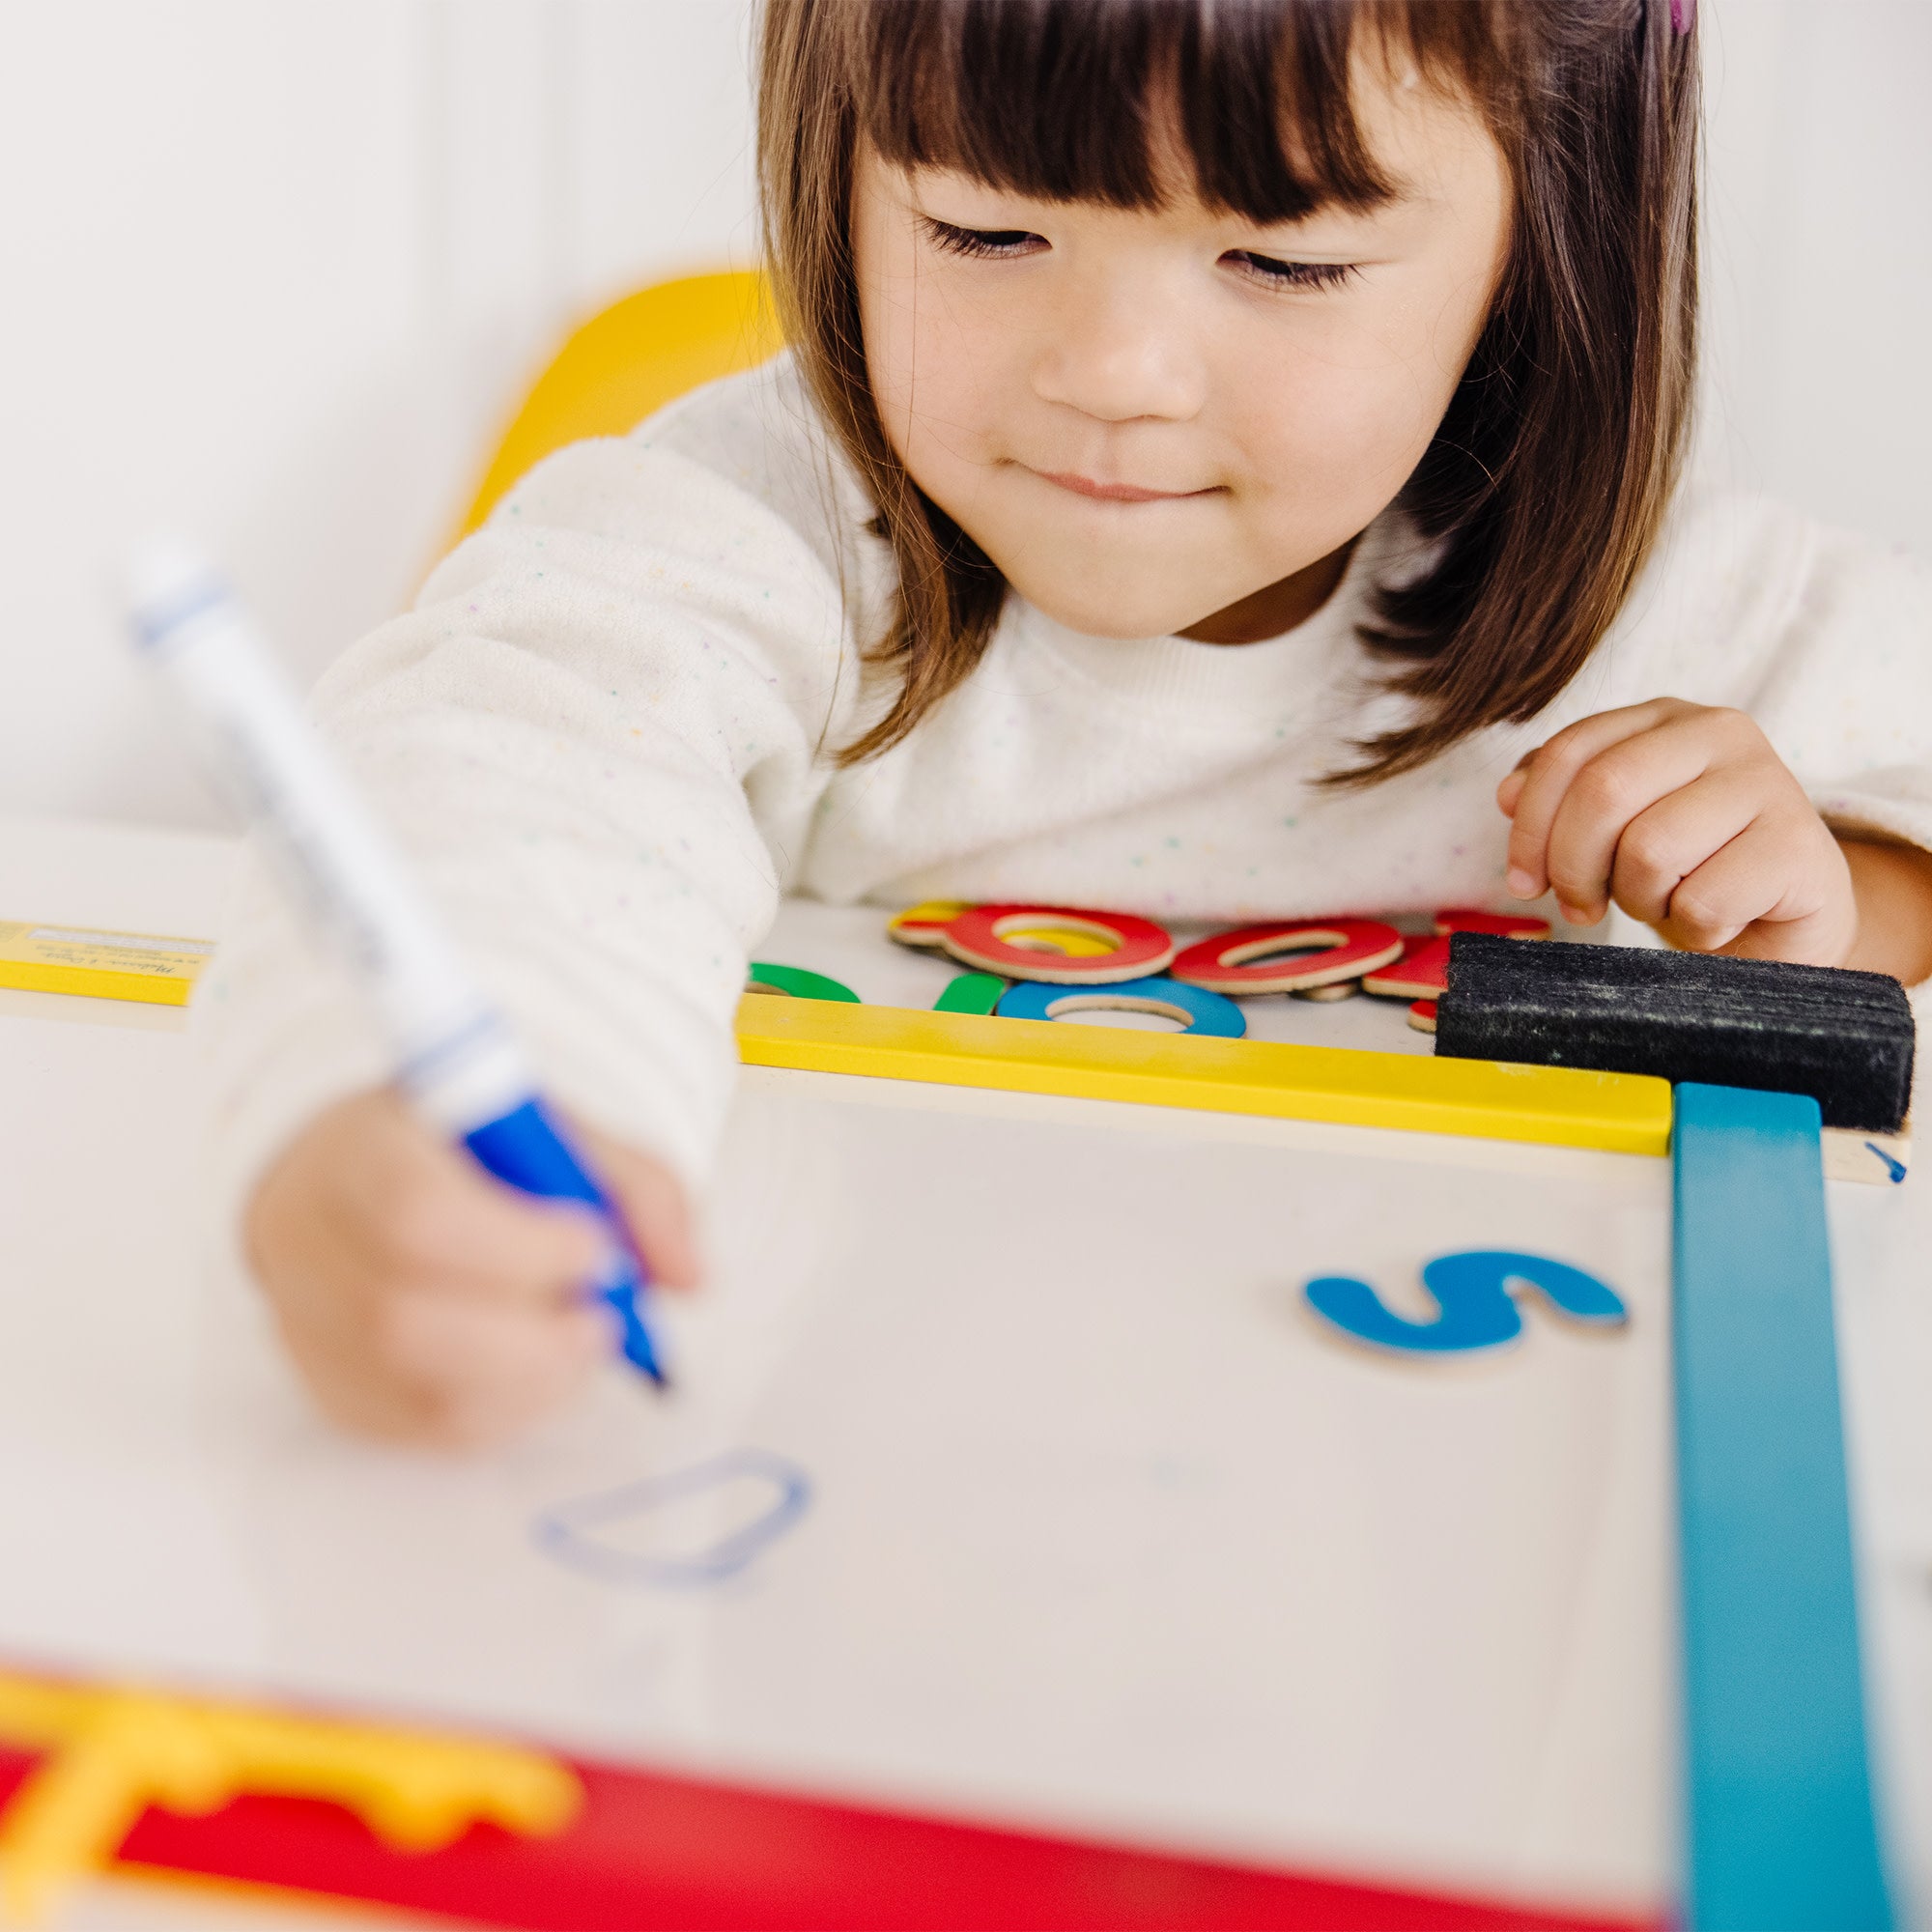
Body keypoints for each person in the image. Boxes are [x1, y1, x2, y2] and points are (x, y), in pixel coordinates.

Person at [216, 0, 1932, 1444]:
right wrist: (427, 1119)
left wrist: (1839, 899)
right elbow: (509, 775)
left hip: (1418, 1494)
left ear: (1543, 230)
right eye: (982, 228)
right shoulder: (773, 531)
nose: (1112, 368)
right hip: (840, 1443)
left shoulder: (1673, 610)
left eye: (1279, 257)